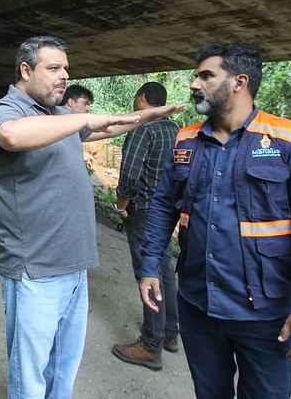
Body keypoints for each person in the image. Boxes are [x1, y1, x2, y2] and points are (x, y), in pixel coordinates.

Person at [0, 35, 184, 398]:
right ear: (26, 70)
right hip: (35, 269)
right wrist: (83, 118)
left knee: (63, 367)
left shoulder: (58, 115)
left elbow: (107, 127)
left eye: (66, 69)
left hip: (74, 268)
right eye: (54, 68)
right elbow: (10, 137)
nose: (63, 76)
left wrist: (148, 116)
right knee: (29, 375)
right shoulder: (7, 110)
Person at [138, 43, 291, 398]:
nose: (194, 84)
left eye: (206, 76)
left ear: (239, 82)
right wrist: (148, 265)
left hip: (265, 316)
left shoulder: (290, 140)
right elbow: (163, 206)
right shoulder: (186, 140)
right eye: (196, 76)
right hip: (198, 305)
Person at [111, 81, 180, 371]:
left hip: (144, 212)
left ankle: (150, 345)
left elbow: (129, 175)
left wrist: (121, 206)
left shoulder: (142, 127)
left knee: (148, 275)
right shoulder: (176, 130)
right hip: (167, 213)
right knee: (164, 270)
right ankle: (170, 333)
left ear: (141, 98)